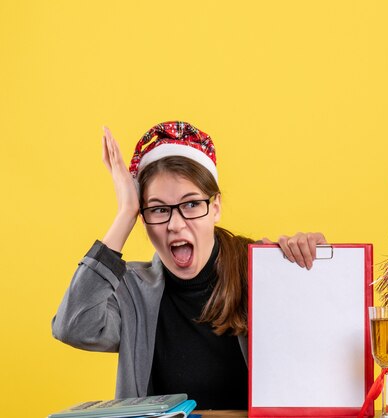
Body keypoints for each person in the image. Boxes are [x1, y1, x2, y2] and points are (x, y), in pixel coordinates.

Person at [52, 121, 326, 410]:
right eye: (158, 209)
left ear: (216, 207)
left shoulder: (259, 270)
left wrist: (312, 271)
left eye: (192, 204)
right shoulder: (131, 292)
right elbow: (73, 326)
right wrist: (125, 213)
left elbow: (319, 350)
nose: (175, 224)